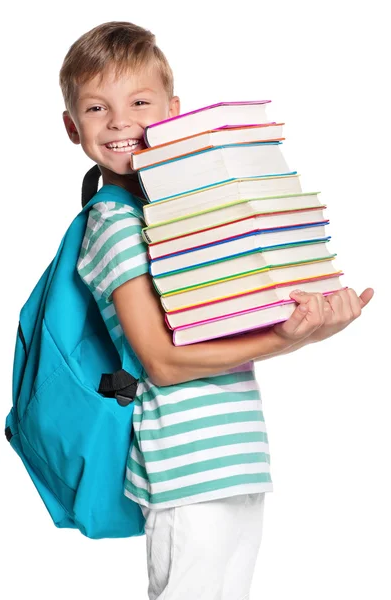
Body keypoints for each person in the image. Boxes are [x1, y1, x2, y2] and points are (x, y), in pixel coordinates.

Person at [60, 21, 374, 600]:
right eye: (97, 107)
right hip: (185, 466)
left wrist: (315, 314)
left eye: (140, 102)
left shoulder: (179, 216)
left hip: (234, 457)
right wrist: (289, 339)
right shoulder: (114, 221)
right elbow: (162, 362)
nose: (121, 120)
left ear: (172, 111)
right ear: (72, 126)